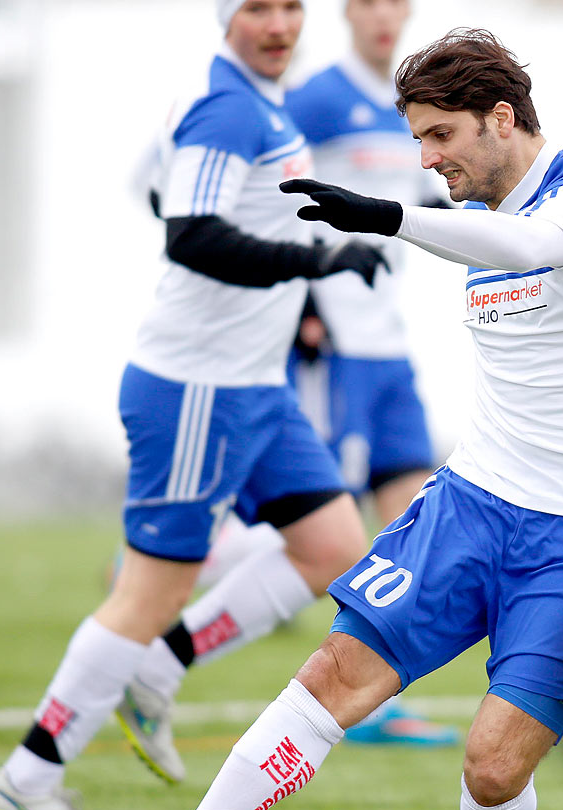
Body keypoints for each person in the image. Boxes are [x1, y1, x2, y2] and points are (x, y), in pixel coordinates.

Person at [57, 27, 563, 810]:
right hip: (475, 501)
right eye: (416, 140)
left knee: (493, 764)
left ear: (501, 118)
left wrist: (386, 216)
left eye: (440, 137)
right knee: (333, 675)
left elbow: (524, 243)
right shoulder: (466, 203)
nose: (426, 160)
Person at [0, 0, 389, 810]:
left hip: (256, 387)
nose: (277, 24)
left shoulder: (255, 101)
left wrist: (295, 293)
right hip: (196, 387)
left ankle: (161, 668)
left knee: (335, 549)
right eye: (256, 9)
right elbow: (191, 232)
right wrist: (314, 261)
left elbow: (158, 185)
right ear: (225, 16)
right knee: (149, 591)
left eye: (289, 8)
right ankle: (29, 776)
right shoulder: (227, 106)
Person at [188, 0, 460, 747]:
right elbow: (267, 195)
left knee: (411, 528)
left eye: (395, 4)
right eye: (368, 3)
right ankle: (193, 565)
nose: (384, 17)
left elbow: (422, 204)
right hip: (331, 343)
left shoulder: (413, 109)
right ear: (346, 12)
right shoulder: (313, 98)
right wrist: (302, 296)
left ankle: (374, 693)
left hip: (389, 348)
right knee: (330, 523)